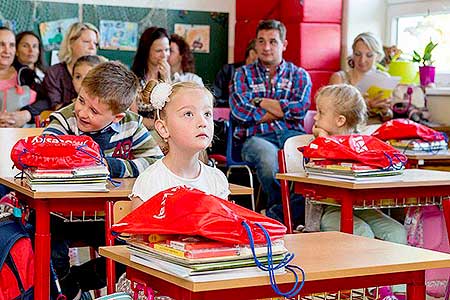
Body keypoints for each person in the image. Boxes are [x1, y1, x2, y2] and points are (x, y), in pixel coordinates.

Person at [43, 61, 163, 298]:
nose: (82, 112)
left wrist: (113, 166)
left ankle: (77, 281)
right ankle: (64, 286)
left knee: (129, 253)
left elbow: (155, 163)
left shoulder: (131, 124)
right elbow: (47, 154)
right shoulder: (65, 120)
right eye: (81, 100)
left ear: (117, 117)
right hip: (59, 215)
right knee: (51, 252)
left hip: (105, 216)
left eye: (94, 111)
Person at [312, 83, 407, 300]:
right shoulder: (316, 145)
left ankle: (400, 293)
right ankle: (377, 289)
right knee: (362, 233)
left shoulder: (364, 145)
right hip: (332, 212)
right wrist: (321, 138)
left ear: (340, 121)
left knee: (396, 231)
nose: (315, 118)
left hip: (363, 208)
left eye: (320, 112)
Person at [229, 19, 311, 225]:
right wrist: (283, 110)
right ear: (255, 44)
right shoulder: (241, 75)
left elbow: (300, 110)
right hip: (256, 138)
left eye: (273, 42)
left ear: (284, 44)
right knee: (269, 161)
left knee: (315, 164)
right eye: (261, 41)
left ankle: (275, 215)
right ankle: (284, 216)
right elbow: (241, 113)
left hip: (292, 136)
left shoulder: (300, 75)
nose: (266, 47)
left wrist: (259, 102)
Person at [131, 81, 229, 210]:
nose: (203, 122)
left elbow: (222, 228)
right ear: (163, 128)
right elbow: (136, 229)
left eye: (207, 114)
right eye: (188, 114)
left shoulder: (217, 180)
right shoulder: (150, 181)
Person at [329, 32, 393, 122]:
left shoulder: (384, 78)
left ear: (378, 56)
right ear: (352, 54)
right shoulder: (339, 78)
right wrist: (365, 106)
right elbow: (331, 116)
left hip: (377, 131)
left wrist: (385, 112)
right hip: (350, 133)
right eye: (357, 54)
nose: (362, 60)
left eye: (369, 55)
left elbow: (388, 118)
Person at [43, 22, 98, 110]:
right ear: (71, 43)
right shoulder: (55, 72)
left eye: (95, 43)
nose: (92, 47)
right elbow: (56, 107)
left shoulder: (102, 72)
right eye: (86, 42)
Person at [0, 27, 48, 128]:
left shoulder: (26, 75)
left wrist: (27, 114)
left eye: (11, 45)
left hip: (21, 138)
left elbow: (46, 101)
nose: (7, 50)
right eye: (1, 44)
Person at [131, 27, 170, 129]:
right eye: (158, 51)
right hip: (141, 131)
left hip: (164, 130)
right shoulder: (134, 80)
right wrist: (160, 125)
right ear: (146, 51)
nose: (164, 55)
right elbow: (133, 118)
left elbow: (171, 110)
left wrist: (167, 79)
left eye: (167, 50)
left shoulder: (171, 76)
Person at [213, 39, 257, 107]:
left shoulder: (265, 75)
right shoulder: (228, 70)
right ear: (252, 54)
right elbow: (215, 97)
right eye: (263, 53)